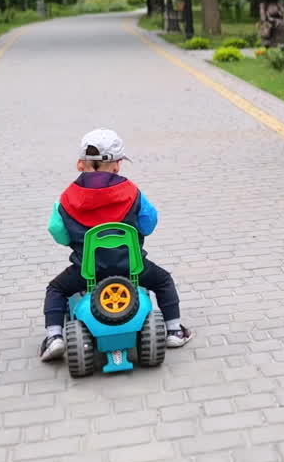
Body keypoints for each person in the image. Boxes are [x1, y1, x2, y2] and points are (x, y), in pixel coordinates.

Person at [39, 128, 192, 361]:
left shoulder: (68, 197)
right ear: (117, 165)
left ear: (81, 163)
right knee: (162, 280)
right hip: (132, 268)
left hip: (87, 271)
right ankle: (174, 330)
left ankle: (54, 337)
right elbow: (149, 222)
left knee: (56, 289)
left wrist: (72, 238)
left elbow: (57, 230)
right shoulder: (130, 191)